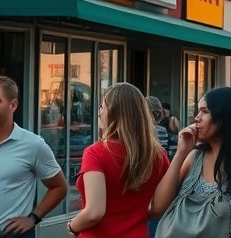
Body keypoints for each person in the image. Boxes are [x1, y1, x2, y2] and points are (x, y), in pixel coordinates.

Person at [151, 87, 231, 238]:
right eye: (198, 111)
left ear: (224, 117)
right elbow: (158, 207)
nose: (196, 118)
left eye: (204, 111)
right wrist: (180, 153)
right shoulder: (194, 157)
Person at [67, 83, 170, 238]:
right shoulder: (157, 155)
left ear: (114, 113)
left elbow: (94, 212)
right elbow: (159, 208)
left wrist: (73, 226)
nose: (99, 113)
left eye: (102, 107)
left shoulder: (96, 152)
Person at [0, 76, 68, 238]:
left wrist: (33, 218)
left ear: (13, 105)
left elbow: (59, 187)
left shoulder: (33, 145)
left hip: (11, 234)